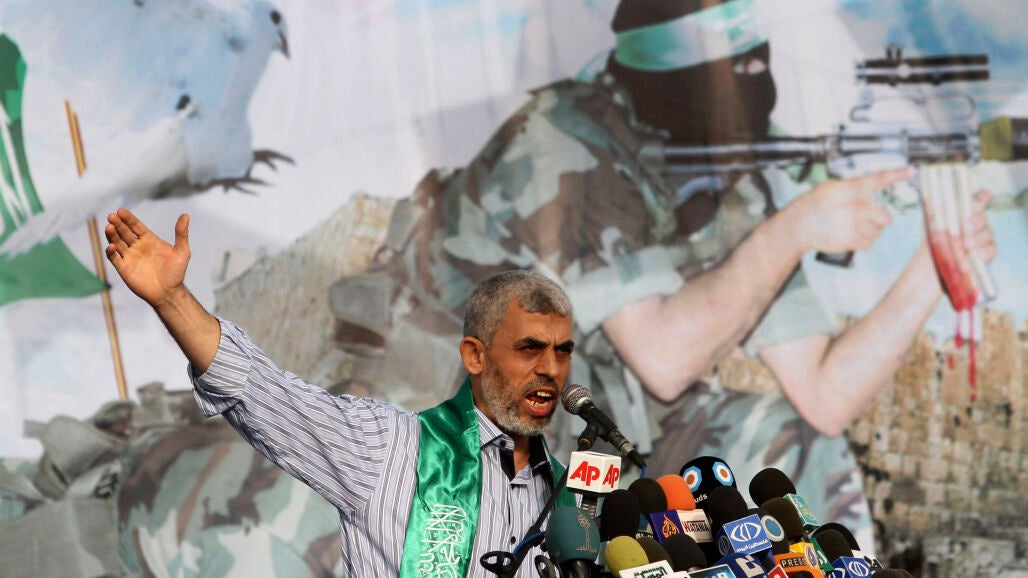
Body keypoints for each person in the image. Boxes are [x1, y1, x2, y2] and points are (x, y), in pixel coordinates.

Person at [325, 0, 997, 548]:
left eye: (756, 63)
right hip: (461, 439)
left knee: (792, 444)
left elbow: (825, 394)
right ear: (676, 75)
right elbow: (664, 360)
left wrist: (937, 265)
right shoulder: (562, 140)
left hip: (596, 439)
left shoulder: (723, 173)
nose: (752, 82)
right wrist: (796, 228)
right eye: (732, 69)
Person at [104, 207, 578, 577]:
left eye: (562, 352)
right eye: (530, 349)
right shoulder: (390, 448)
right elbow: (262, 393)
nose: (551, 370)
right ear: (475, 356)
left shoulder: (568, 499)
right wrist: (172, 299)